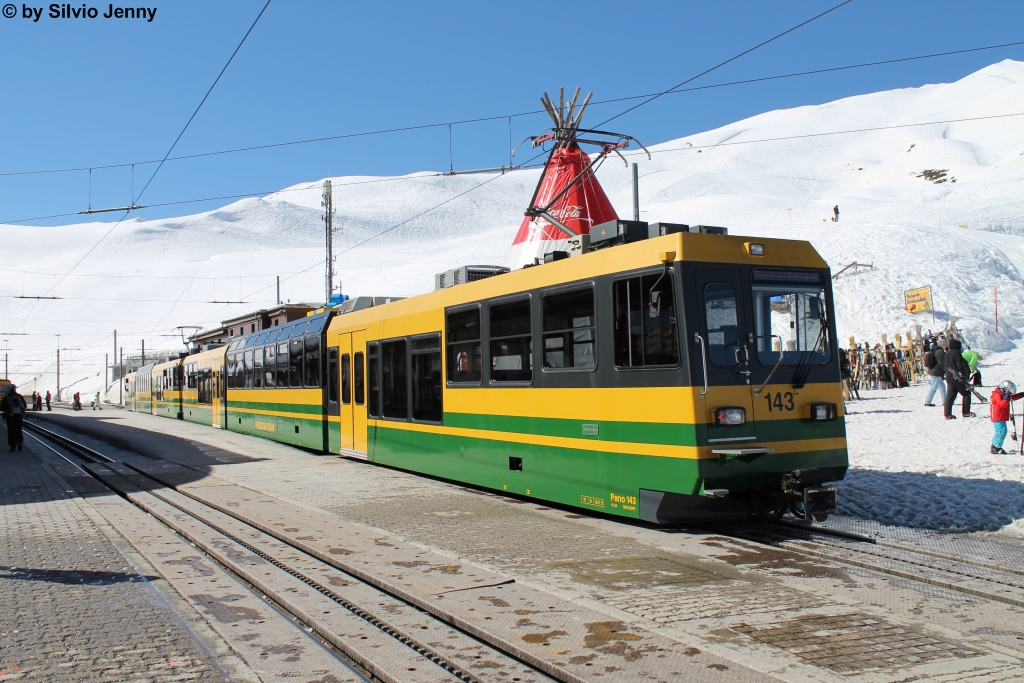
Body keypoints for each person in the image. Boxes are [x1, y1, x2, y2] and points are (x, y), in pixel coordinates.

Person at [943, 338, 975, 419]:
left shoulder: (947, 353)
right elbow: (959, 364)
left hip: (949, 376)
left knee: (950, 395)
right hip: (957, 376)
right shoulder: (957, 353)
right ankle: (966, 412)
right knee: (966, 393)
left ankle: (947, 414)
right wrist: (963, 374)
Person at [989, 380, 1024, 454]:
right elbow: (1003, 404)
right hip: (997, 417)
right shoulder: (997, 395)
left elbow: (1011, 397)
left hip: (1001, 416)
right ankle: (996, 447)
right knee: (1001, 431)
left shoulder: (1001, 394)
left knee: (1002, 431)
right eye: (1009, 392)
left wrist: (1021, 395)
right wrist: (1007, 396)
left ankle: (995, 445)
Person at [0, 383, 26, 451]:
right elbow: (24, 405)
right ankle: (19, 442)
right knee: (18, 429)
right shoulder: (20, 396)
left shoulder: (7, 397)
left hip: (10, 416)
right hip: (19, 416)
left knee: (11, 431)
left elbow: (2, 407)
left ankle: (13, 446)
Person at [923, 339, 947, 406]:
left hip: (934, 371)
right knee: (933, 387)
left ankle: (945, 401)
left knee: (942, 387)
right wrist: (945, 371)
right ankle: (927, 401)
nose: (946, 346)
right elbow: (942, 362)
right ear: (942, 345)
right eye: (945, 345)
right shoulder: (940, 352)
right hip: (936, 372)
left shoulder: (935, 350)